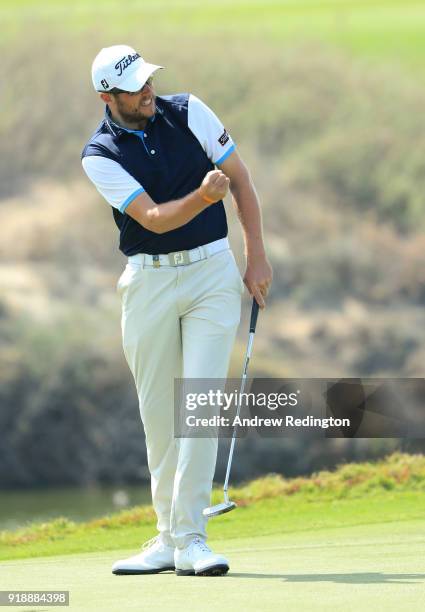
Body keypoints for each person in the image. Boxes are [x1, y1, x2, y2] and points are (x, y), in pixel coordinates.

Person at [81, 44, 272, 577]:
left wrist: (256, 254)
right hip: (149, 282)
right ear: (107, 96)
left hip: (212, 272)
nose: (148, 91)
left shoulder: (189, 111)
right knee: (160, 418)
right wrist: (205, 198)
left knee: (200, 403)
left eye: (147, 80)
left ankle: (191, 538)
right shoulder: (98, 155)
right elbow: (156, 218)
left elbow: (243, 180)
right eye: (134, 87)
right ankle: (167, 538)